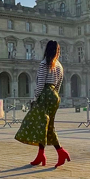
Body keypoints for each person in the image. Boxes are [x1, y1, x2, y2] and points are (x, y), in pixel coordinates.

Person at [15, 40, 71, 168]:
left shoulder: (44, 63)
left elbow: (40, 84)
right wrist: (54, 95)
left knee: (34, 122)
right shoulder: (59, 66)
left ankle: (57, 152)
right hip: (54, 96)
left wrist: (35, 98)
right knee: (46, 126)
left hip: (45, 94)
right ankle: (43, 154)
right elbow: (59, 85)